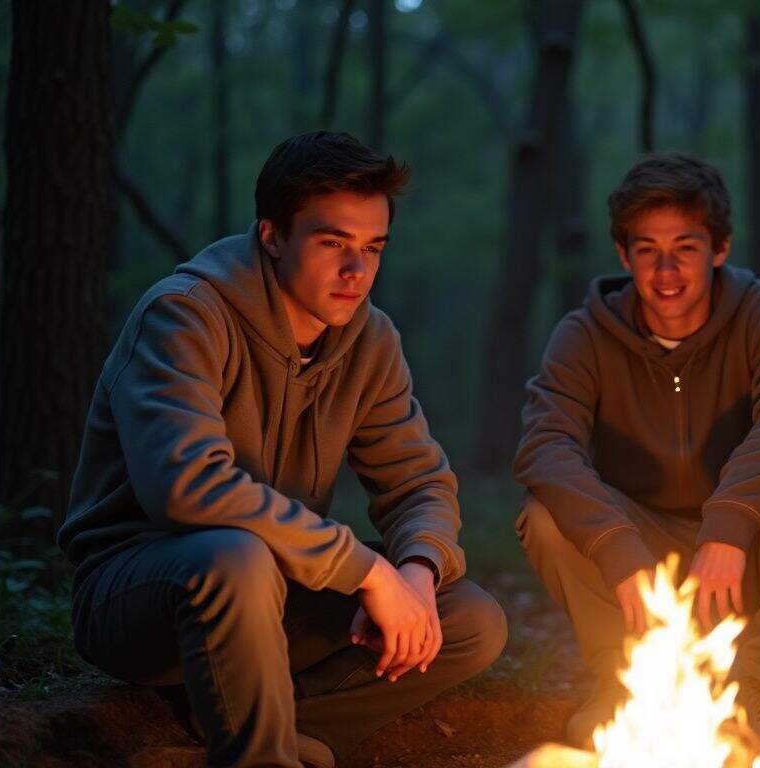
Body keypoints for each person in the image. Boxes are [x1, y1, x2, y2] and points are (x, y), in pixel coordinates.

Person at [59, 131, 507, 768]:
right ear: (272, 236)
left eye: (373, 248)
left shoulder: (369, 339)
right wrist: (367, 569)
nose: (357, 272)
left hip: (279, 588)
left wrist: (416, 570)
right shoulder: (185, 315)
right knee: (236, 557)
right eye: (333, 244)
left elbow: (418, 484)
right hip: (145, 596)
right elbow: (189, 489)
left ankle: (257, 726)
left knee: (469, 619)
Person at [513, 152, 760, 764]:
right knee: (544, 509)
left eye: (686, 248)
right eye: (647, 249)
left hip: (744, 553)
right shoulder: (584, 333)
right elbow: (545, 445)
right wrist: (617, 548)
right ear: (624, 256)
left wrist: (728, 524)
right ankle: (622, 685)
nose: (665, 270)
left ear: (720, 248)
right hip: (638, 562)